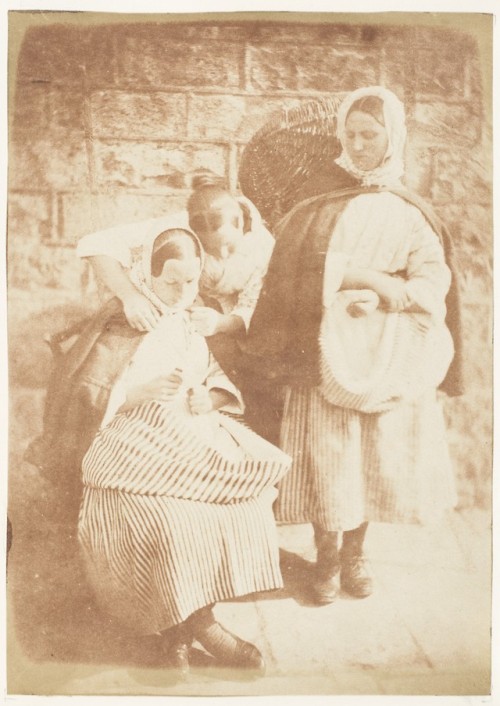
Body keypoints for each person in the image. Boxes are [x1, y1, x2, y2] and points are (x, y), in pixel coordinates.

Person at [240, 86, 463, 606]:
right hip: (325, 346)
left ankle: (358, 555)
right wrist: (358, 276)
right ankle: (327, 559)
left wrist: (393, 294)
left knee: (372, 456)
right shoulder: (318, 201)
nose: (360, 145)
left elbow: (434, 280)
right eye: (351, 134)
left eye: (370, 134)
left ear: (393, 137)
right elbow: (292, 270)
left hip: (388, 349)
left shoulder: (411, 211)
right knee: (329, 452)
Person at [75, 226, 291, 675]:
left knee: (243, 507)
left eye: (190, 282)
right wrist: (138, 392)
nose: (181, 292)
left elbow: (213, 372)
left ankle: (183, 631)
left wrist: (208, 397)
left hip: (190, 435)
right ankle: (197, 628)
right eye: (170, 282)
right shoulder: (124, 317)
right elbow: (90, 393)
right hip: (129, 439)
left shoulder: (192, 320)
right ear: (147, 276)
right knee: (165, 521)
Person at [76, 174, 274, 342]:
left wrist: (221, 323)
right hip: (163, 309)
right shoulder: (178, 225)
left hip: (218, 322)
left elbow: (252, 306)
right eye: (210, 249)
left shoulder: (264, 246)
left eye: (229, 246)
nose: (222, 255)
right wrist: (131, 297)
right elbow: (95, 243)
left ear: (240, 222)